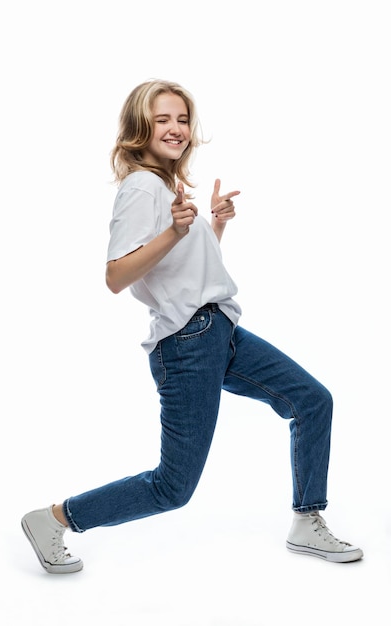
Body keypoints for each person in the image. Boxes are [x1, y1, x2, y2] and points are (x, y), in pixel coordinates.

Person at [21, 79, 363, 574]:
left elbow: (186, 273)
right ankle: (53, 519)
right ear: (141, 128)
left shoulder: (166, 187)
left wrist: (214, 226)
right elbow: (116, 276)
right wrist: (176, 230)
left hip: (218, 331)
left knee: (312, 400)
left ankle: (307, 520)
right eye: (163, 119)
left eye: (182, 119)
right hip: (187, 344)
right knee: (172, 488)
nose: (176, 128)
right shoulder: (141, 186)